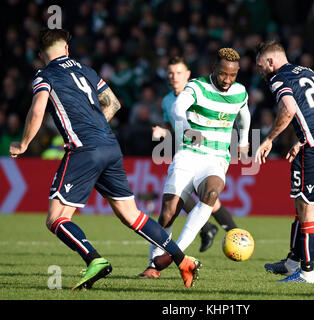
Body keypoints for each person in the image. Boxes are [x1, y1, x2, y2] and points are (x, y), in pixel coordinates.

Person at [9, 28, 201, 289]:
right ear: (67, 50)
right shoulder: (85, 70)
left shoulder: (45, 75)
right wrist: (96, 127)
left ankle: (94, 260)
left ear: (42, 56)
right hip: (110, 145)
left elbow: (37, 110)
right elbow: (113, 103)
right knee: (131, 215)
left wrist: (23, 143)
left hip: (83, 149)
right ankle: (183, 261)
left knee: (55, 219)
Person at [149, 48, 251, 272]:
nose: (227, 80)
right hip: (188, 154)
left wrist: (243, 141)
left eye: (232, 75)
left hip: (216, 158)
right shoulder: (196, 86)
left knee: (212, 193)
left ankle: (174, 254)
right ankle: (152, 264)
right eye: (223, 73)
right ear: (214, 68)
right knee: (169, 211)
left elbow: (244, 114)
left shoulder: (240, 92)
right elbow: (178, 109)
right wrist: (185, 129)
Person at [254, 40, 314, 283]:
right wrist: (301, 139)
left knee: (307, 209)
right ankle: (292, 262)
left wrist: (269, 139)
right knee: (301, 203)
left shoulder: (278, 78)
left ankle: (307, 273)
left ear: (271, 61)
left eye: (260, 64)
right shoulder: (308, 72)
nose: (259, 70)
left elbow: (289, 109)